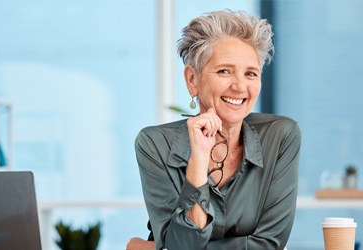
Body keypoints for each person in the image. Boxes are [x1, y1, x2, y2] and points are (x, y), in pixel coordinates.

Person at [127, 9, 301, 250]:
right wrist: (198, 160)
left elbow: (270, 244)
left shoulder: (281, 136)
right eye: (224, 71)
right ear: (192, 80)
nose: (240, 87)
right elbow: (185, 243)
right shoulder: (153, 144)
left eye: (250, 73)